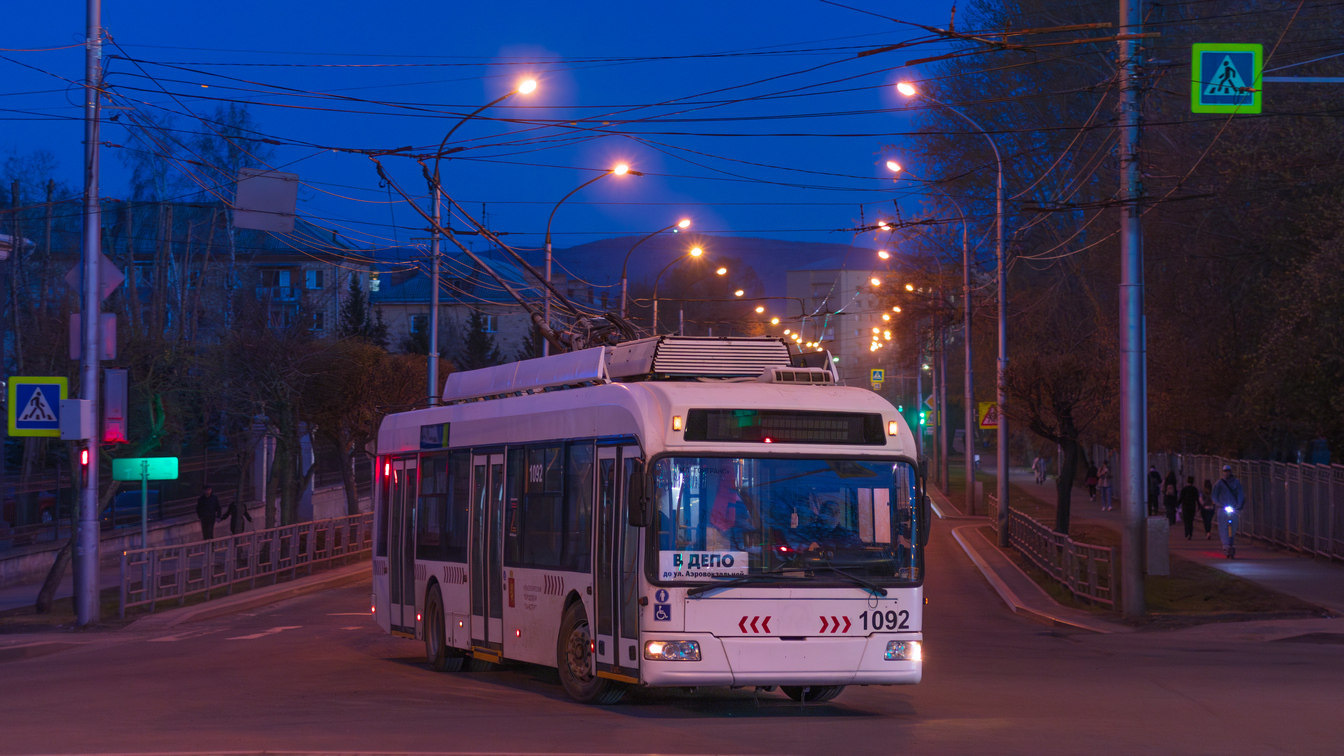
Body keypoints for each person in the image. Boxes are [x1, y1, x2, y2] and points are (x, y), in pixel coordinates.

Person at [1211, 465, 1246, 558]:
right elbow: (1214, 496)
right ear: (1223, 472)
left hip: (1233, 508)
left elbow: (1240, 494)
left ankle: (1231, 543)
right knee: (1223, 528)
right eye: (1225, 471)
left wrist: (1238, 504)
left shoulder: (1236, 482)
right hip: (1222, 508)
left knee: (1233, 527)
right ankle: (1226, 545)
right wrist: (1218, 504)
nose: (1227, 473)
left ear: (1231, 472)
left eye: (1228, 471)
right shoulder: (1219, 483)